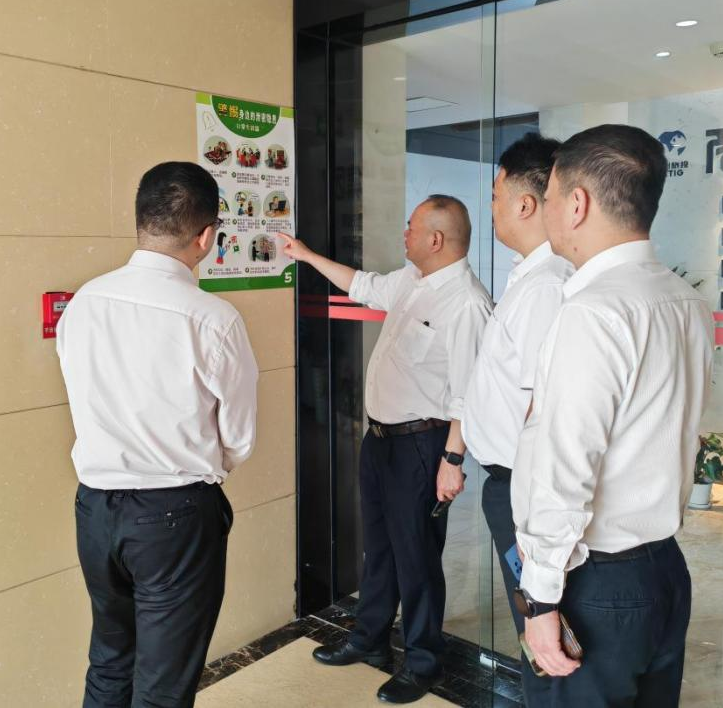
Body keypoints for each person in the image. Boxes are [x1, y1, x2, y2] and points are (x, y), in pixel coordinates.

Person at [511, 125, 713, 706]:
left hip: (597, 583)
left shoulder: (593, 311)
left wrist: (541, 600)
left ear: (577, 204)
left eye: (550, 196)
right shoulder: (685, 300)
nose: (547, 210)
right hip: (662, 568)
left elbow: (565, 464)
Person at [57, 161, 258, 708]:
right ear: (207, 236)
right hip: (174, 516)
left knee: (110, 660)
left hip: (96, 511)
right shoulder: (212, 318)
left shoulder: (84, 302)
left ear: (141, 221)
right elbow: (238, 435)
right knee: (163, 686)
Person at [280, 195, 491, 704]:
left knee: (416, 557)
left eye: (411, 227)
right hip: (380, 441)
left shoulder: (466, 303)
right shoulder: (412, 280)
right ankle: (370, 640)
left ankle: (423, 663)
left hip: (422, 446)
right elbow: (362, 285)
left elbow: (469, 394)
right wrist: (304, 255)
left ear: (435, 239)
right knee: (379, 549)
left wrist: (452, 461)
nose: (404, 234)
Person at [434, 134, 572, 659]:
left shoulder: (546, 287)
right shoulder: (529, 277)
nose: (490, 207)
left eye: (495, 196)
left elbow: (547, 411)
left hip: (525, 490)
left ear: (525, 204)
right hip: (508, 485)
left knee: (542, 628)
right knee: (531, 622)